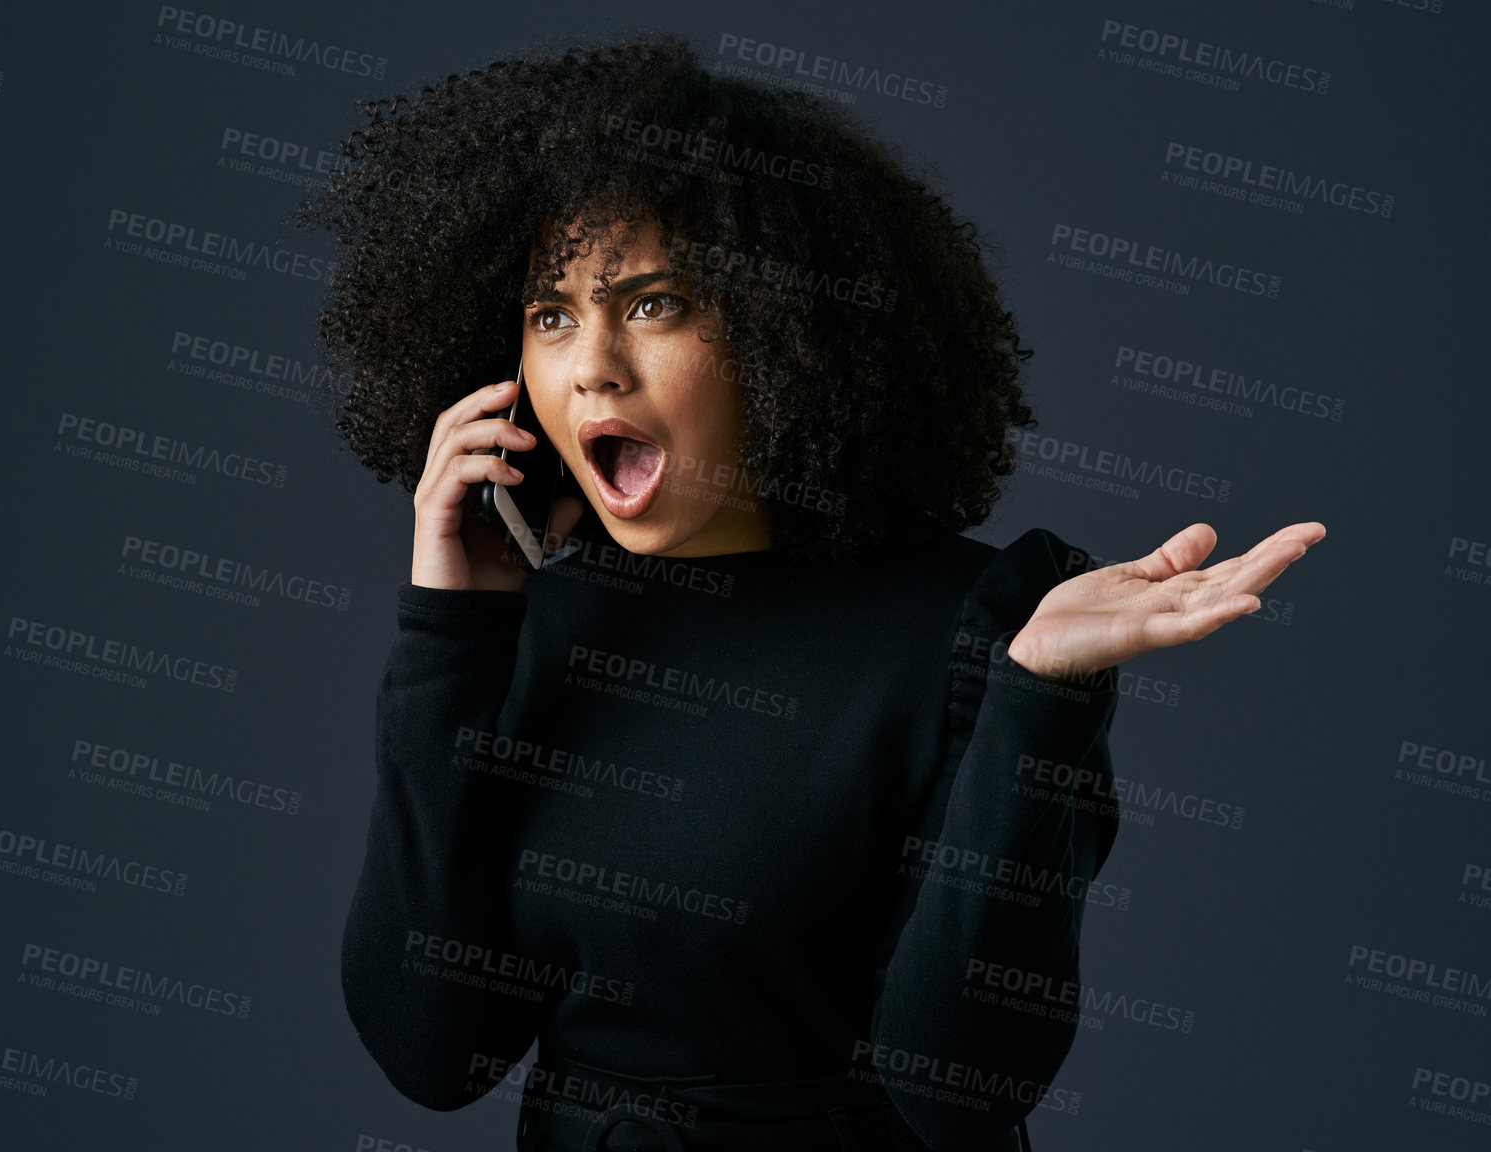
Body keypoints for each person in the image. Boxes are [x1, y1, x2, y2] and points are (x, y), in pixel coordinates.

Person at [293, 33, 1324, 1152]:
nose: (590, 363)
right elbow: (431, 1053)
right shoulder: (536, 625)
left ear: (787, 335)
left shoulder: (975, 628)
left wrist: (1037, 699)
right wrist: (445, 630)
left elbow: (958, 1090)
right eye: (551, 316)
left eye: (653, 304)